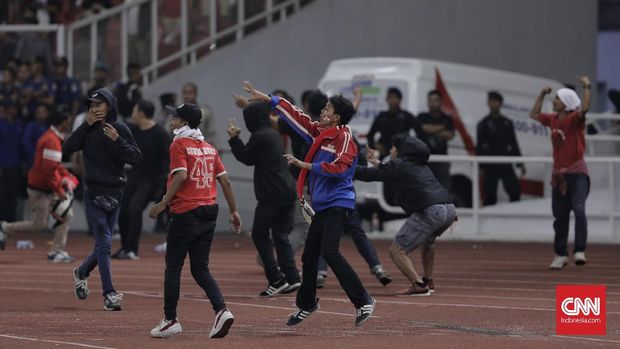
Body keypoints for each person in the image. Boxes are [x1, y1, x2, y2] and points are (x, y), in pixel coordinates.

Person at [241, 81, 376, 327]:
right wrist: (269, 99)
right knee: (309, 256)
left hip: (339, 202)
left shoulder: (344, 138)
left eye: (327, 109)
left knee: (331, 252)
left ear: (336, 117)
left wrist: (307, 166)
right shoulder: (320, 133)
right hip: (323, 205)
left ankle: (363, 300)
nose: (322, 112)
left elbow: (342, 168)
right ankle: (307, 303)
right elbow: (298, 116)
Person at [148, 103, 241, 339]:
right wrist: (234, 211)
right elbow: (225, 181)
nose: (171, 120)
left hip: (186, 212)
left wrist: (164, 202)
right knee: (200, 269)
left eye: (175, 117)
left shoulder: (179, 143)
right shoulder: (208, 147)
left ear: (185, 123)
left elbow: (180, 175)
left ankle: (170, 320)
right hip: (210, 211)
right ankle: (221, 310)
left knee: (174, 267)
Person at [64, 87, 142, 311]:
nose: (94, 108)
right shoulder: (86, 130)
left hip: (116, 192)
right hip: (94, 193)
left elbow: (136, 157)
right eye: (91, 105)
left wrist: (118, 140)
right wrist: (85, 124)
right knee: (105, 243)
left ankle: (82, 272)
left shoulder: (120, 128)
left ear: (109, 106)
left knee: (103, 245)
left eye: (98, 104)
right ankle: (109, 294)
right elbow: (66, 148)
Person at [356, 135, 456, 295]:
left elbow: (370, 175)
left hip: (431, 210)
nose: (390, 150)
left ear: (402, 150)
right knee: (429, 241)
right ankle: (428, 280)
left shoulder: (400, 164)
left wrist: (344, 168)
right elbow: (387, 170)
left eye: (393, 148)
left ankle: (418, 285)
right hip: (449, 209)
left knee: (397, 250)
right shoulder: (419, 165)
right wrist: (376, 162)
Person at [227, 101, 301, 296]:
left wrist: (234, 138)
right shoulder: (274, 134)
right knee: (280, 235)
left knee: (260, 235)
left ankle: (276, 279)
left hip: (271, 195)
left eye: (247, 118)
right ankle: (292, 277)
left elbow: (246, 157)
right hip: (287, 191)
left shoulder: (259, 136)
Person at [529, 77, 591, 270]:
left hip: (577, 173)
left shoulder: (574, 120)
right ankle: (561, 254)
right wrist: (541, 94)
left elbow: (585, 109)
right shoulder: (553, 119)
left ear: (566, 103)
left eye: (557, 98)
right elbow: (534, 114)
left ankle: (579, 250)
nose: (554, 101)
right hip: (559, 176)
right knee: (560, 216)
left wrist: (586, 87)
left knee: (579, 209)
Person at [0, 111, 78, 261]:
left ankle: (56, 250)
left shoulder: (51, 137)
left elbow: (53, 166)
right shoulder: (51, 140)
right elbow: (49, 171)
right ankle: (56, 251)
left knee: (56, 218)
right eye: (68, 121)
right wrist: (61, 191)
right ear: (62, 123)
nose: (69, 124)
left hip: (42, 187)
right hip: (42, 189)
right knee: (50, 221)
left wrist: (66, 175)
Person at [114, 100, 171, 260]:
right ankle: (125, 247)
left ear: (141, 113)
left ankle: (133, 249)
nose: (132, 115)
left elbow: (167, 160)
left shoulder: (160, 133)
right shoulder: (133, 130)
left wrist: (161, 185)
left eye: (134, 111)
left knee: (134, 209)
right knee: (123, 210)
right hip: (134, 177)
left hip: (151, 180)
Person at [476, 91, 524, 205]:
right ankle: (489, 220)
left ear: (500, 103)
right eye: (491, 101)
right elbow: (479, 147)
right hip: (490, 163)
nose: (493, 104)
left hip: (505, 161)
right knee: (490, 194)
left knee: (515, 190)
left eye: (496, 101)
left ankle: (515, 215)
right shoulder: (483, 124)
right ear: (488, 103)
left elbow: (513, 143)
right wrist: (480, 166)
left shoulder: (507, 123)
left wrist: (520, 163)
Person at [367, 87, 425, 158]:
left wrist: (413, 147)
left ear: (400, 99)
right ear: (387, 99)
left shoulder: (407, 116)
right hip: (384, 153)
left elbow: (420, 132)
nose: (393, 100)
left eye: (395, 97)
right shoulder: (381, 117)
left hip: (402, 153)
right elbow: (370, 135)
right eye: (390, 97)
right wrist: (375, 145)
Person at [418, 90, 455, 190]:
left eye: (435, 100)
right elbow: (423, 128)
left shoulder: (447, 118)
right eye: (430, 101)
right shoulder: (422, 117)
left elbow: (450, 135)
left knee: (444, 189)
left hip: (442, 160)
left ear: (440, 102)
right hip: (425, 160)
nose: (433, 103)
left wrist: (431, 130)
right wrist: (441, 127)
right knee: (425, 190)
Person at [0, 99, 24, 228]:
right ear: (6, 109)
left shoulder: (19, 123)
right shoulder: (1, 124)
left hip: (16, 164)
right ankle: (1, 220)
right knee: (3, 194)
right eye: (12, 107)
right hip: (3, 164)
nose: (14, 110)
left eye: (15, 107)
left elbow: (21, 145)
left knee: (14, 195)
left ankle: (10, 222)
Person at [182, 82, 219, 150]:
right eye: (184, 93)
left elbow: (211, 132)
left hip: (201, 150)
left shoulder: (205, 112)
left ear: (195, 94)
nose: (187, 96)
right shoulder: (177, 113)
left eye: (190, 93)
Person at [22, 103, 50, 168]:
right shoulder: (31, 126)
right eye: (39, 112)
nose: (41, 114)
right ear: (36, 114)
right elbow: (26, 142)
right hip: (34, 160)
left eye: (43, 112)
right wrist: (37, 154)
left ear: (47, 113)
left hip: (47, 160)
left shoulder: (49, 126)